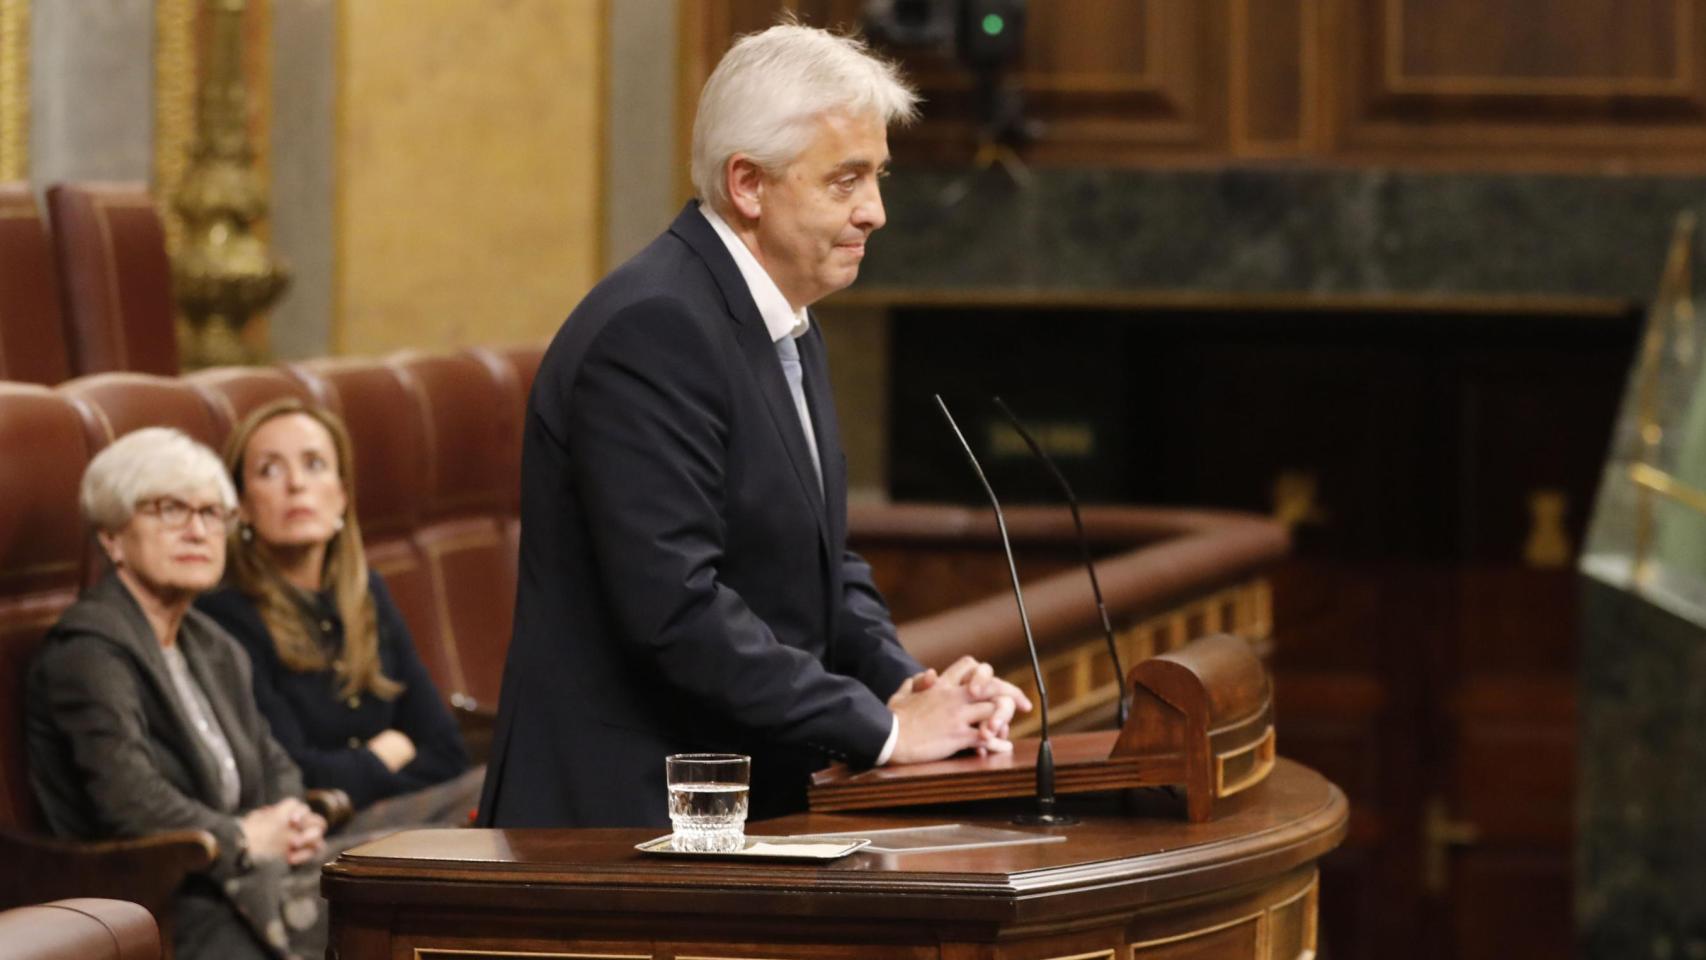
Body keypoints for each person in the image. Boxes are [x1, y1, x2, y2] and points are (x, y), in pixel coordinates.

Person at [478, 21, 1030, 830]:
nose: (875, 211)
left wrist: (908, 689)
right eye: (845, 181)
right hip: (619, 828)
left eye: (877, 176)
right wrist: (881, 732)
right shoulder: (656, 329)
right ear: (748, 184)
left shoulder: (786, 323)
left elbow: (820, 565)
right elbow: (678, 610)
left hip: (729, 804)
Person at [26, 427, 328, 960]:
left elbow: (273, 760)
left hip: (240, 881)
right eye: (171, 510)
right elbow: (130, 802)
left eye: (213, 514)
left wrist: (293, 817)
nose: (198, 531)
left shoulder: (212, 642)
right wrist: (241, 839)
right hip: (159, 899)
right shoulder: (88, 650)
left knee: (402, 890)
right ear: (112, 536)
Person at [197, 398, 482, 834]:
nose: (296, 484)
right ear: (243, 506)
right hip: (319, 837)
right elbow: (295, 776)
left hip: (410, 817)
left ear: (342, 494)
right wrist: (388, 752)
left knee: (506, 785)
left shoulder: (366, 590)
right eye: (269, 470)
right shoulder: (226, 616)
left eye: (314, 464)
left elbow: (446, 747)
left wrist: (363, 775)